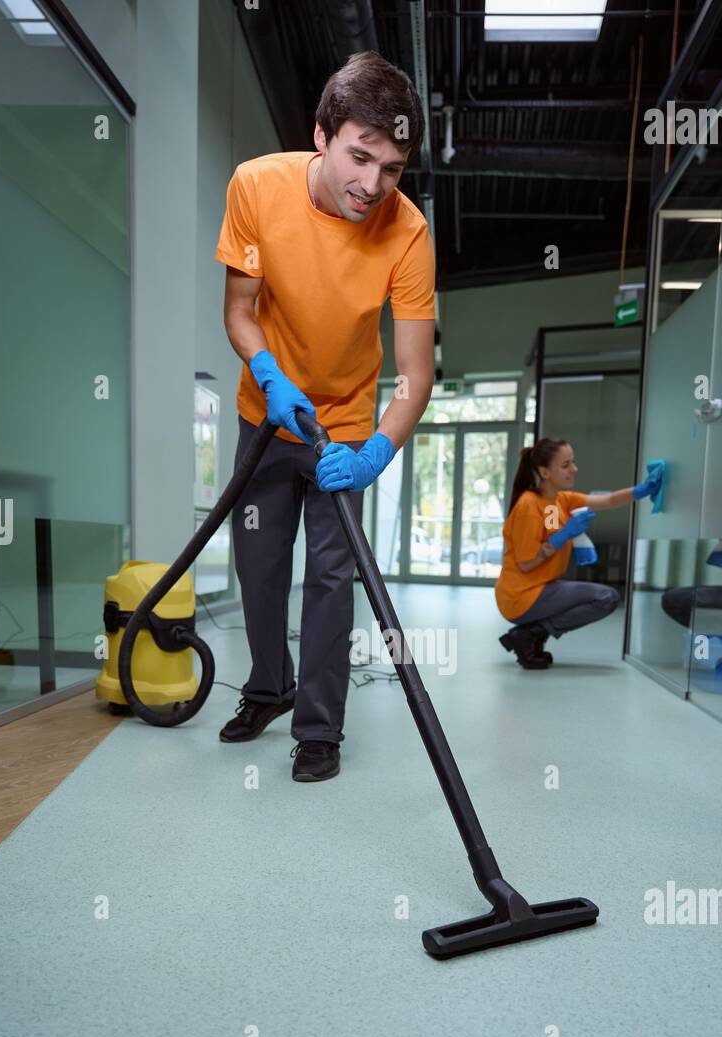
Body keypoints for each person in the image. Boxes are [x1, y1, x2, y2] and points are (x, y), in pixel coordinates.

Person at [213, 52, 435, 781]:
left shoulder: (407, 233)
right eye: (360, 157)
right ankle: (268, 689)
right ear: (322, 134)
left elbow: (416, 374)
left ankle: (319, 729)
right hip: (269, 414)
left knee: (333, 577)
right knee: (260, 568)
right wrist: (268, 374)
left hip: (344, 423)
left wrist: (374, 451)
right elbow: (240, 312)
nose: (372, 186)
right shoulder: (255, 185)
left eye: (393, 168)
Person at [494, 436, 659, 668]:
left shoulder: (559, 500)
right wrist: (561, 537)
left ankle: (531, 634)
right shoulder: (528, 506)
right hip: (520, 596)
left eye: (573, 462)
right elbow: (526, 564)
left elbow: (609, 500)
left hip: (541, 588)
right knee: (605, 597)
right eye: (565, 465)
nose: (574, 469)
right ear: (545, 472)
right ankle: (531, 634)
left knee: (605, 596)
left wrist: (641, 490)